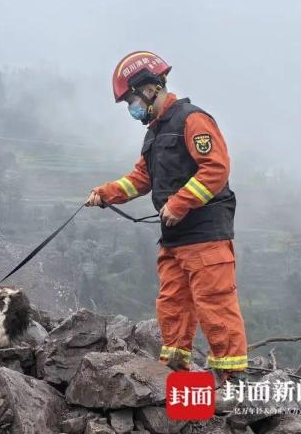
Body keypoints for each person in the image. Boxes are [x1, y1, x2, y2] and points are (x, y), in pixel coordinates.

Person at [85, 51, 248, 385]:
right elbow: (139, 180)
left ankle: (231, 382)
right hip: (174, 240)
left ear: (149, 88)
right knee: (172, 305)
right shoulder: (154, 134)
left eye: (130, 98)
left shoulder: (192, 120)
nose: (130, 107)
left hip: (205, 236)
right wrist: (105, 194)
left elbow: (216, 169)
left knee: (215, 305)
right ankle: (175, 373)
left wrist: (179, 203)